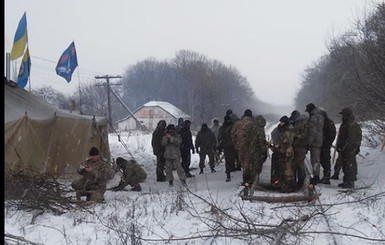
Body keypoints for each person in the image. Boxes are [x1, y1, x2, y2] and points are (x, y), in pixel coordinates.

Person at [336, 108, 362, 189]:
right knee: (345, 165)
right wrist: (339, 146)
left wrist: (345, 147)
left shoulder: (351, 124)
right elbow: (341, 137)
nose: (342, 116)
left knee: (349, 166)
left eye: (343, 114)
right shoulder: (345, 124)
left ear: (347, 115)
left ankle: (350, 183)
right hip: (345, 149)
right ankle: (346, 181)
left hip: (350, 149)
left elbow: (352, 138)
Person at [270, 116, 296, 192]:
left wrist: (279, 147)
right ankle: (282, 183)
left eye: (282, 122)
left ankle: (289, 185)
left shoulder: (289, 130)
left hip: (286, 151)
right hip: (281, 150)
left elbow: (287, 142)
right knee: (281, 167)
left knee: (287, 168)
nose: (280, 123)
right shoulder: (279, 130)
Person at [231, 109, 254, 185]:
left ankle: (245, 180)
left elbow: (233, 134)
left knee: (243, 163)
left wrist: (235, 144)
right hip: (250, 146)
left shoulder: (238, 123)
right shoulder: (253, 123)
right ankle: (250, 179)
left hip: (240, 146)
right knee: (249, 162)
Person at [305, 103, 324, 185]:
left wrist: (308, 142)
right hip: (319, 139)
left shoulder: (313, 117)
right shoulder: (320, 115)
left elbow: (312, 131)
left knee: (315, 159)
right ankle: (316, 175)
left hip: (315, 141)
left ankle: (316, 177)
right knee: (316, 159)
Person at [248, 115, 268, 189]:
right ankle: (255, 181)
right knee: (257, 166)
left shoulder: (251, 128)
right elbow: (261, 142)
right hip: (257, 151)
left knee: (252, 165)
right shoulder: (260, 130)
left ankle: (251, 180)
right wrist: (264, 151)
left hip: (250, 150)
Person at [290, 110, 308, 190]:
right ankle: (295, 181)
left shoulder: (303, 123)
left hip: (301, 146)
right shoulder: (297, 122)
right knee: (294, 163)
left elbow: (304, 135)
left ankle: (301, 182)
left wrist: (297, 137)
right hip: (296, 145)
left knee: (300, 164)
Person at [319, 109, 336, 184]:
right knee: (323, 160)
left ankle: (327, 177)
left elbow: (332, 134)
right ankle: (326, 176)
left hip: (325, 144)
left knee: (325, 160)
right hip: (322, 144)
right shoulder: (324, 122)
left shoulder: (328, 123)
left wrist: (327, 142)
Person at [218, 115, 236, 182]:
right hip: (232, 146)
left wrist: (220, 146)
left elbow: (219, 138)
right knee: (231, 160)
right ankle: (230, 172)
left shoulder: (222, 128)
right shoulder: (233, 126)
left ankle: (228, 174)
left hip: (226, 146)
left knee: (228, 161)